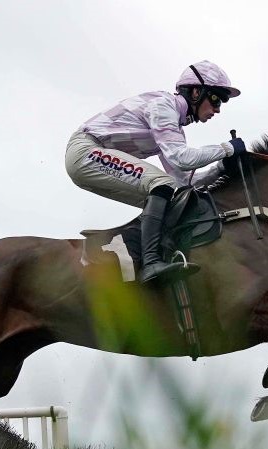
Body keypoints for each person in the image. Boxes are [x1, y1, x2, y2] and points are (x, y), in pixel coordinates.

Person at [65, 61, 247, 284]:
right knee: (162, 184)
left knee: (174, 196)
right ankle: (151, 262)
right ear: (196, 92)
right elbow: (182, 158)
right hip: (86, 151)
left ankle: (131, 254)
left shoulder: (173, 125)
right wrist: (226, 149)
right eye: (216, 99)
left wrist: (222, 168)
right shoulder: (164, 106)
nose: (217, 110)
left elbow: (184, 183)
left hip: (91, 158)